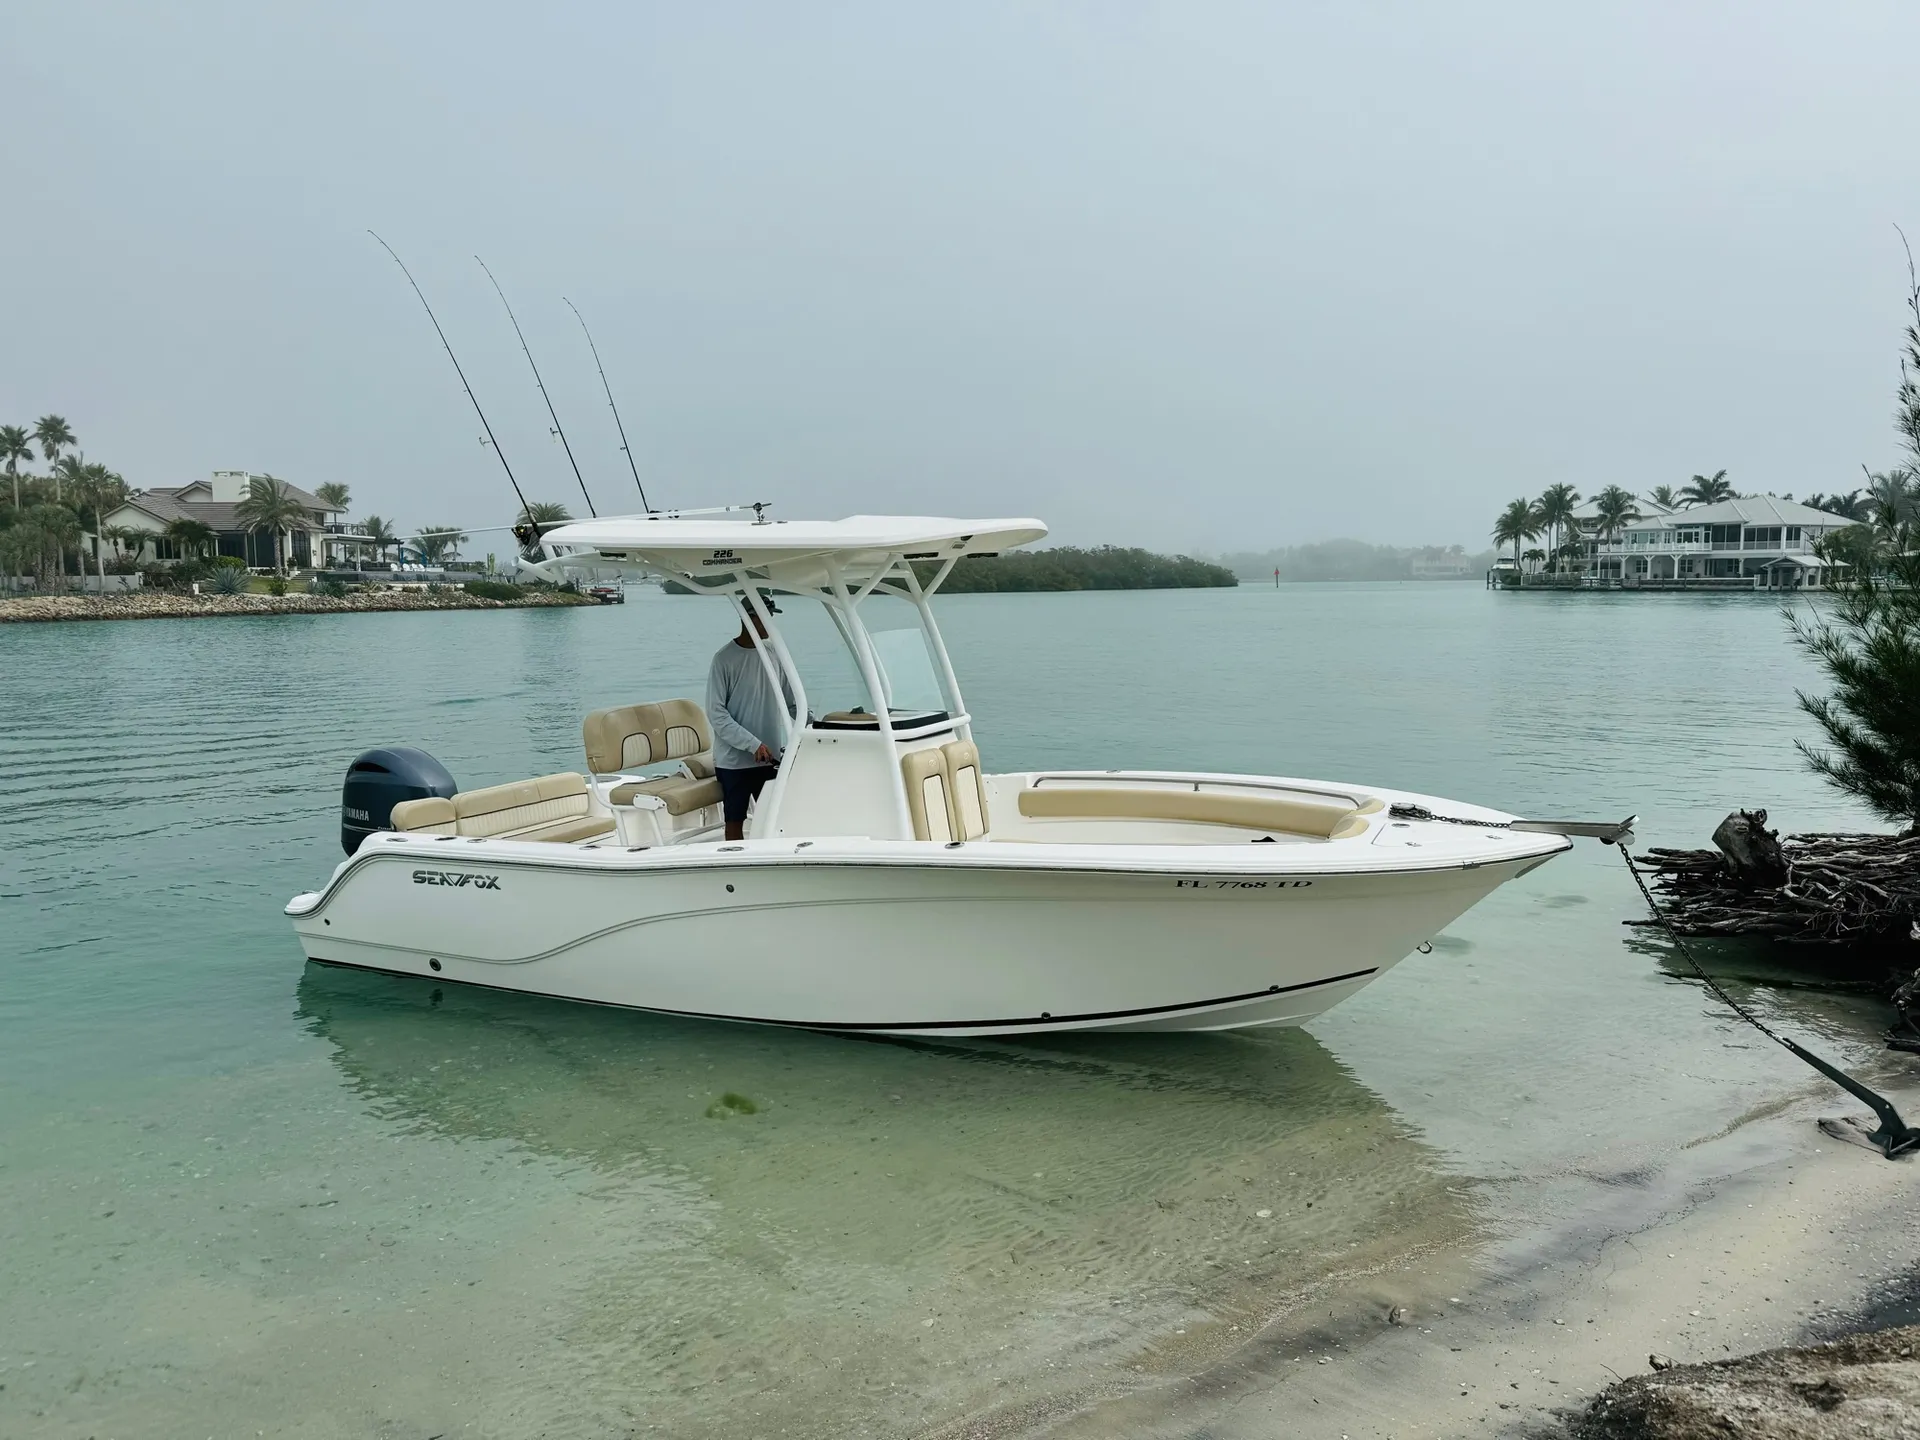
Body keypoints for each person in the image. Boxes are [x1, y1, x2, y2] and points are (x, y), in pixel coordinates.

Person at [706, 600, 799, 841]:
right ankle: (732, 866)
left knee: (776, 819)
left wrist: (814, 728)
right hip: (734, 762)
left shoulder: (774, 654)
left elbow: (792, 702)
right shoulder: (724, 659)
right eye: (765, 616)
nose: (770, 623)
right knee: (735, 819)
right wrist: (752, 744)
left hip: (769, 760)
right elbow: (716, 714)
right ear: (749, 618)